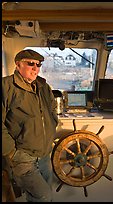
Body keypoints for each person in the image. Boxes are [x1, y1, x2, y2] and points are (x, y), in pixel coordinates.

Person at [2, 49, 59, 202]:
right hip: (22, 156)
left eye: (38, 65)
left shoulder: (43, 86)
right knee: (43, 196)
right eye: (30, 64)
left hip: (44, 154)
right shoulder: (6, 86)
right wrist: (12, 152)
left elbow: (52, 109)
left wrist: (52, 127)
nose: (35, 68)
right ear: (18, 64)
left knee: (46, 195)